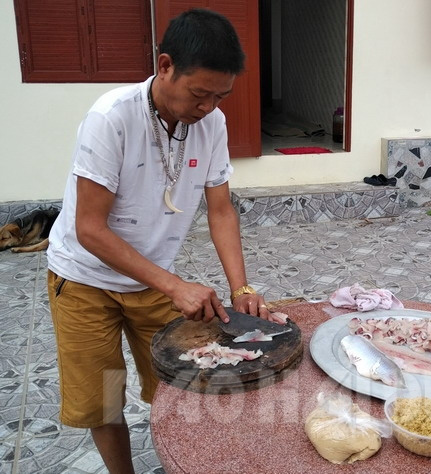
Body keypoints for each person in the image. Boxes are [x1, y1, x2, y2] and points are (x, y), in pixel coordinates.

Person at [46, 9, 267, 473]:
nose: (207, 107)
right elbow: (90, 228)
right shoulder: (111, 118)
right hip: (84, 282)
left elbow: (221, 210)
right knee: (104, 400)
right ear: (165, 65)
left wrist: (241, 287)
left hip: (151, 279)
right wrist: (174, 285)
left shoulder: (213, 124)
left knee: (180, 387)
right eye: (199, 93)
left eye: (219, 96)